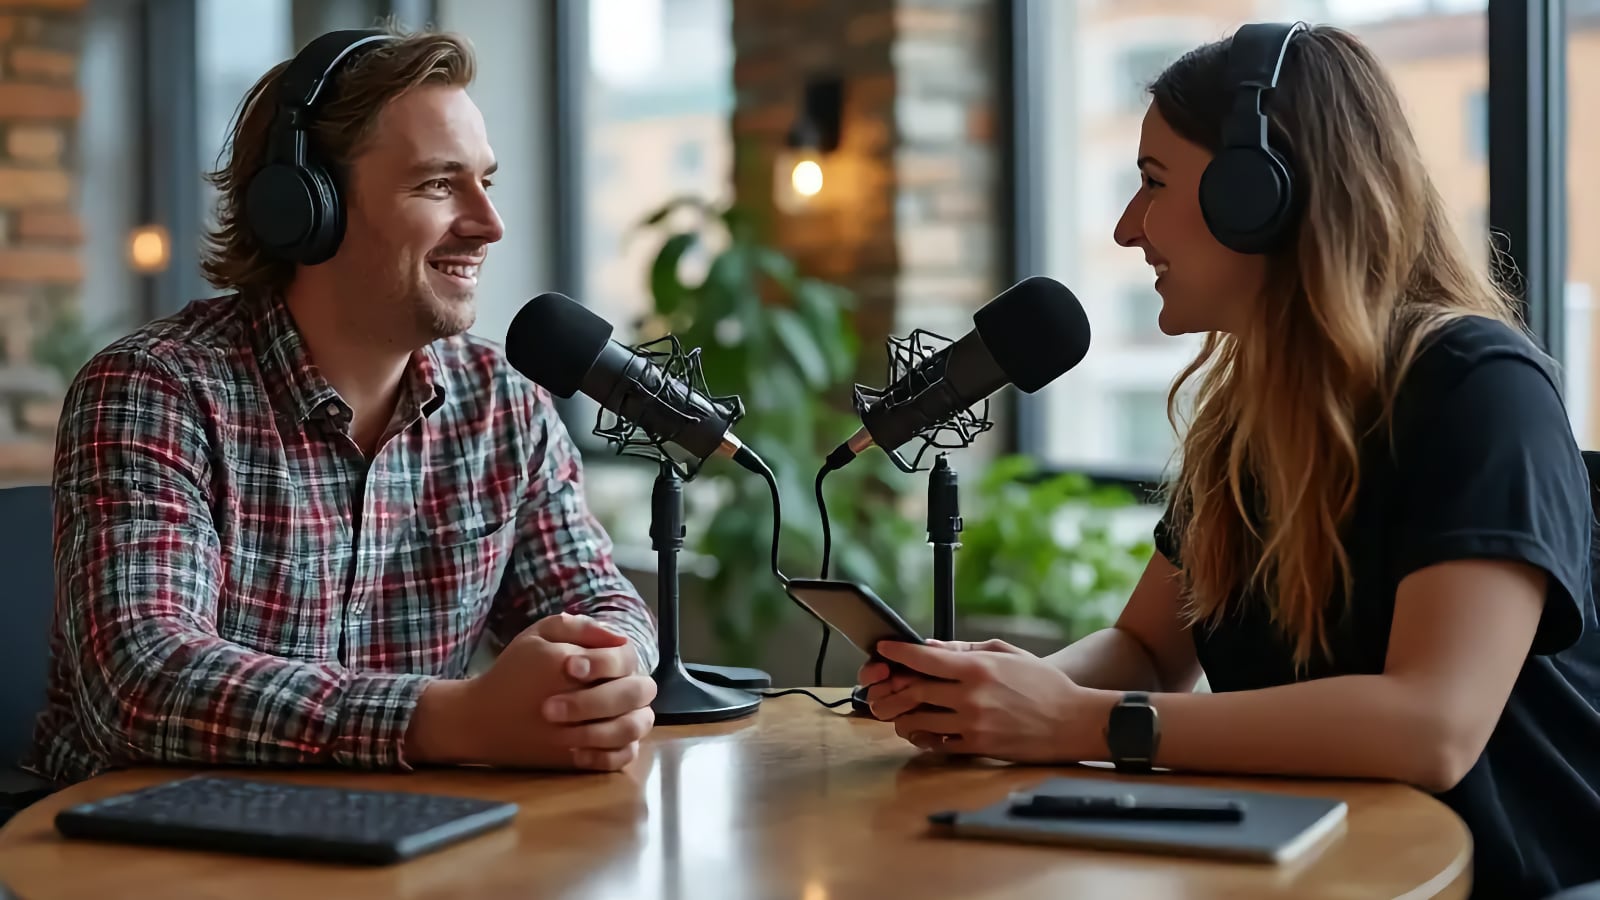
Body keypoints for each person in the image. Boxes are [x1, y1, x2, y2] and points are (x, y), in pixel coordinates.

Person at [861, 22, 1600, 899]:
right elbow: (1145, 648)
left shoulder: (1477, 387)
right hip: (1304, 872)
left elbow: (1431, 726)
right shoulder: (1244, 420)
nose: (1128, 227)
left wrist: (1083, 724)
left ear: (1260, 195)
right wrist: (1005, 696)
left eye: (1152, 183)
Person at [25, 26, 660, 787]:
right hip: (155, 851)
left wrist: (605, 669)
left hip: (403, 842)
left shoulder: (504, 407)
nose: (490, 224)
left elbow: (595, 596)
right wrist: (448, 719)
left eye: (486, 181)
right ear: (305, 207)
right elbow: (142, 678)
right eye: (437, 183)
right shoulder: (155, 391)